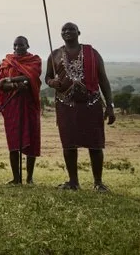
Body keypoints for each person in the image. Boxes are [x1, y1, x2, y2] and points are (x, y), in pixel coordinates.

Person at [45, 22, 116, 191]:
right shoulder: (54, 55)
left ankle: (98, 182)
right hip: (65, 104)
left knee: (95, 144)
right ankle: (73, 182)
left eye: (71, 29)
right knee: (68, 144)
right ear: (61, 34)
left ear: (78, 32)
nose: (67, 32)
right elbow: (47, 77)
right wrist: (52, 82)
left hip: (91, 103)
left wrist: (110, 105)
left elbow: (103, 80)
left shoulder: (92, 53)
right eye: (64, 30)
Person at [0, 36, 42, 185]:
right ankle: (16, 178)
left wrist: (8, 80)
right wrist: (14, 85)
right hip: (12, 106)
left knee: (32, 141)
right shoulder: (6, 62)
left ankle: (29, 178)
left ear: (27, 45)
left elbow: (30, 77)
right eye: (15, 45)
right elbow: (1, 87)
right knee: (13, 142)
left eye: (21, 45)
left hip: (29, 105)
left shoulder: (34, 60)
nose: (18, 48)